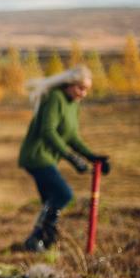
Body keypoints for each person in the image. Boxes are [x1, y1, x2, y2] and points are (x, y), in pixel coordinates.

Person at [18, 65, 109, 252]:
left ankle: (45, 242)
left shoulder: (74, 104)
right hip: (36, 156)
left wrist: (92, 157)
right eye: (80, 88)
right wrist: (71, 158)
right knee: (64, 194)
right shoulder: (55, 98)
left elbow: (72, 136)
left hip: (48, 158)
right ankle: (35, 239)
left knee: (51, 200)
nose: (83, 94)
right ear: (69, 84)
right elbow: (48, 131)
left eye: (86, 90)